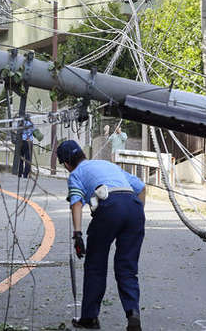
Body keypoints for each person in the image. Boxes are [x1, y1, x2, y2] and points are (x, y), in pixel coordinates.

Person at [56, 140, 145, 331]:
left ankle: (89, 318)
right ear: (82, 154)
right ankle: (133, 313)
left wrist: (78, 234)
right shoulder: (106, 164)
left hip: (110, 207)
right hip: (134, 209)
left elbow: (76, 202)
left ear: (66, 163)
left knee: (95, 264)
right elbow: (141, 187)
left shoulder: (76, 174)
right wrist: (136, 214)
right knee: (127, 267)